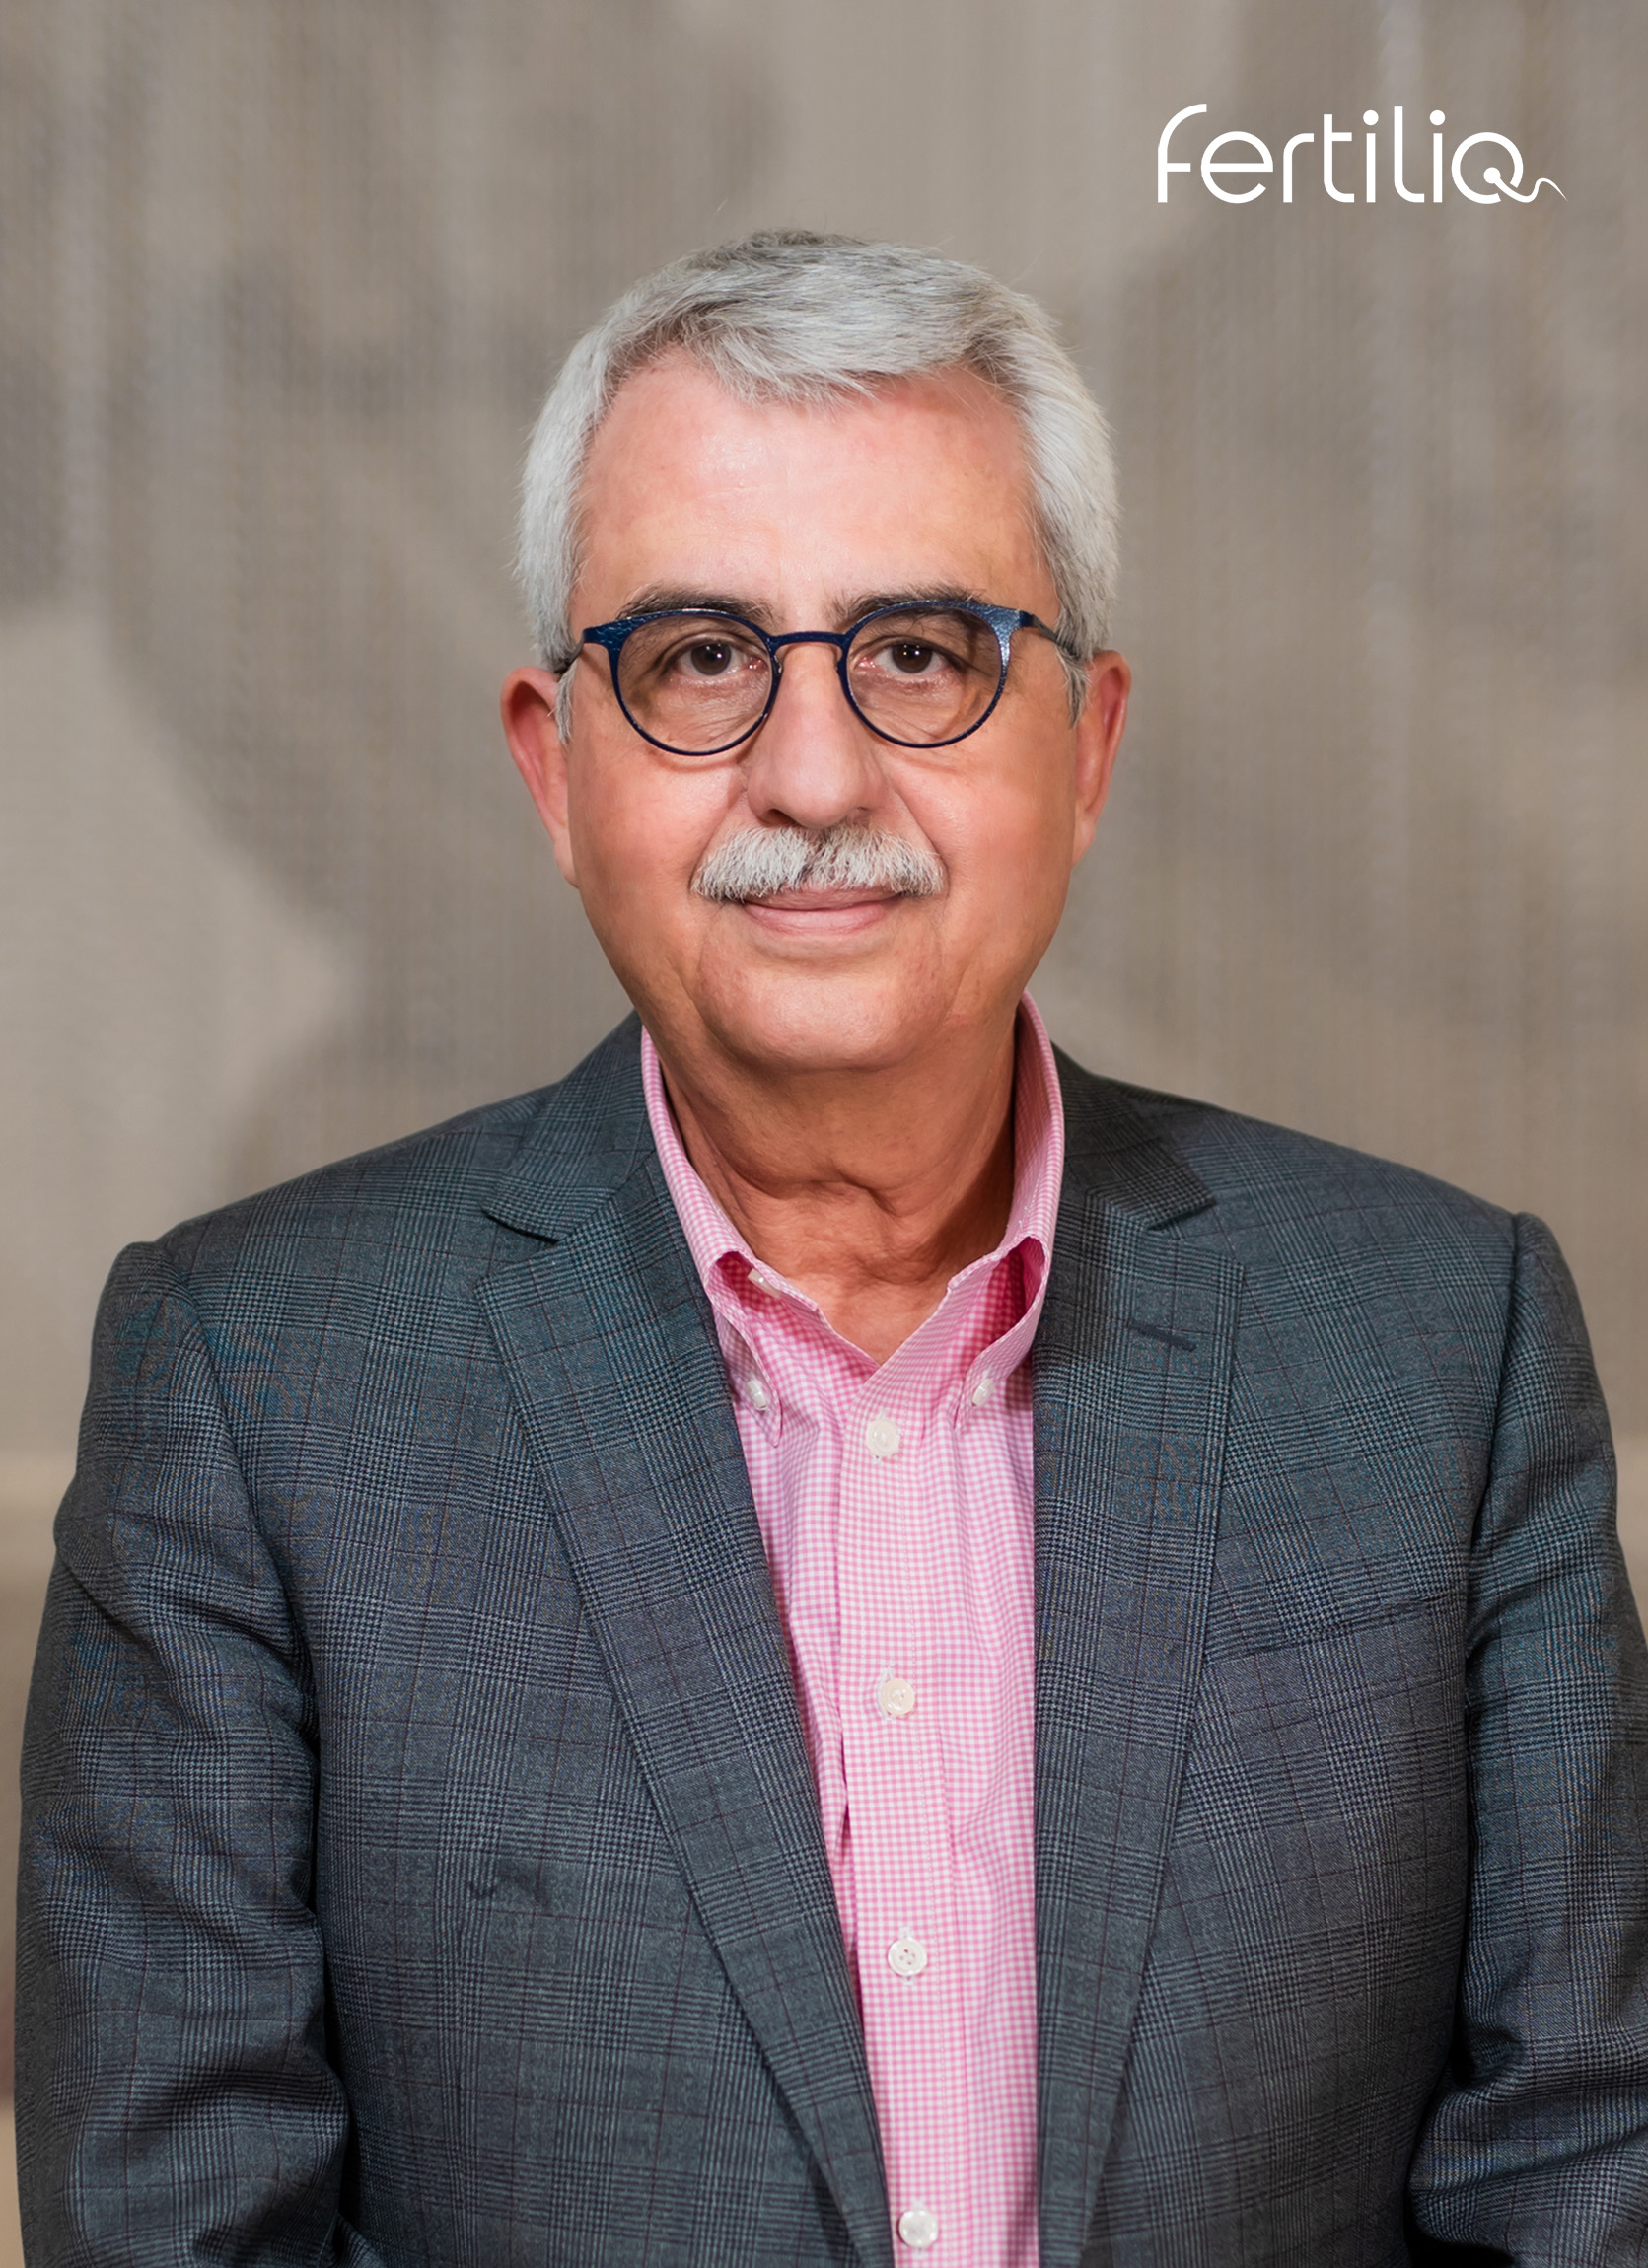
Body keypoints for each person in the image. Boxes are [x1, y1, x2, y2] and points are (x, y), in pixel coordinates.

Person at [17, 231, 1648, 2267]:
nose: (811, 776)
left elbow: (1585, 2172)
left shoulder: (1443, 1346)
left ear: (1088, 746)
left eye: (923, 654)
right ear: (553, 763)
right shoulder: (250, 1384)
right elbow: (179, 2224)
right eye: (701, 658)